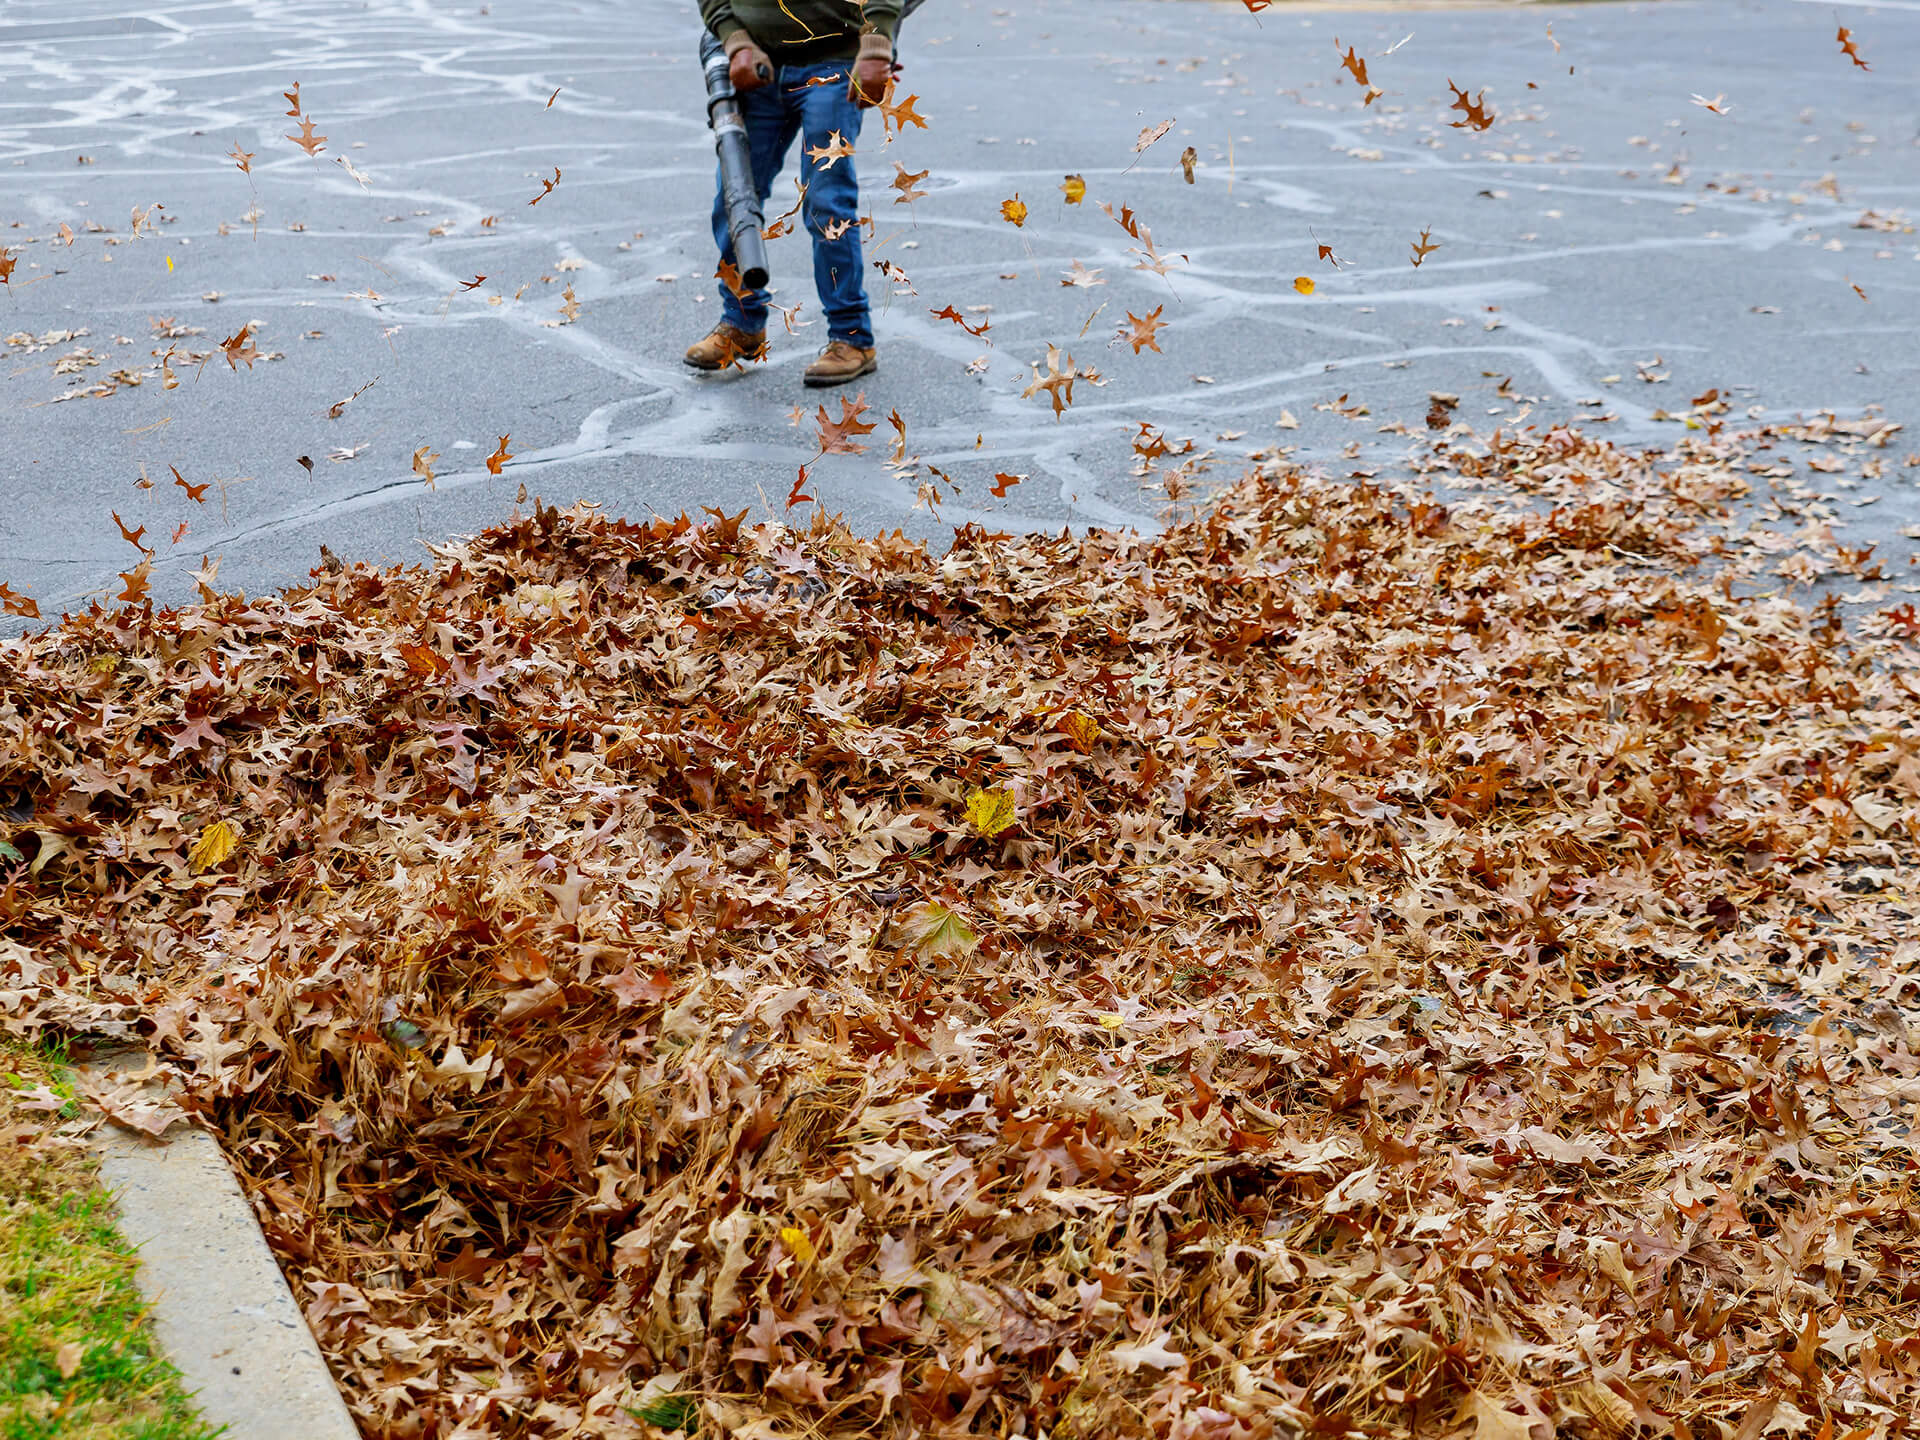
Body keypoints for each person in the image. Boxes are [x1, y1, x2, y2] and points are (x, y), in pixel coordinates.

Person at [687, 0, 902, 387]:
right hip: (757, 62)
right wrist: (735, 41)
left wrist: (877, 44)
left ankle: (851, 339)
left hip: (836, 64)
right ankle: (741, 322)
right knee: (734, 198)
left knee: (827, 202)